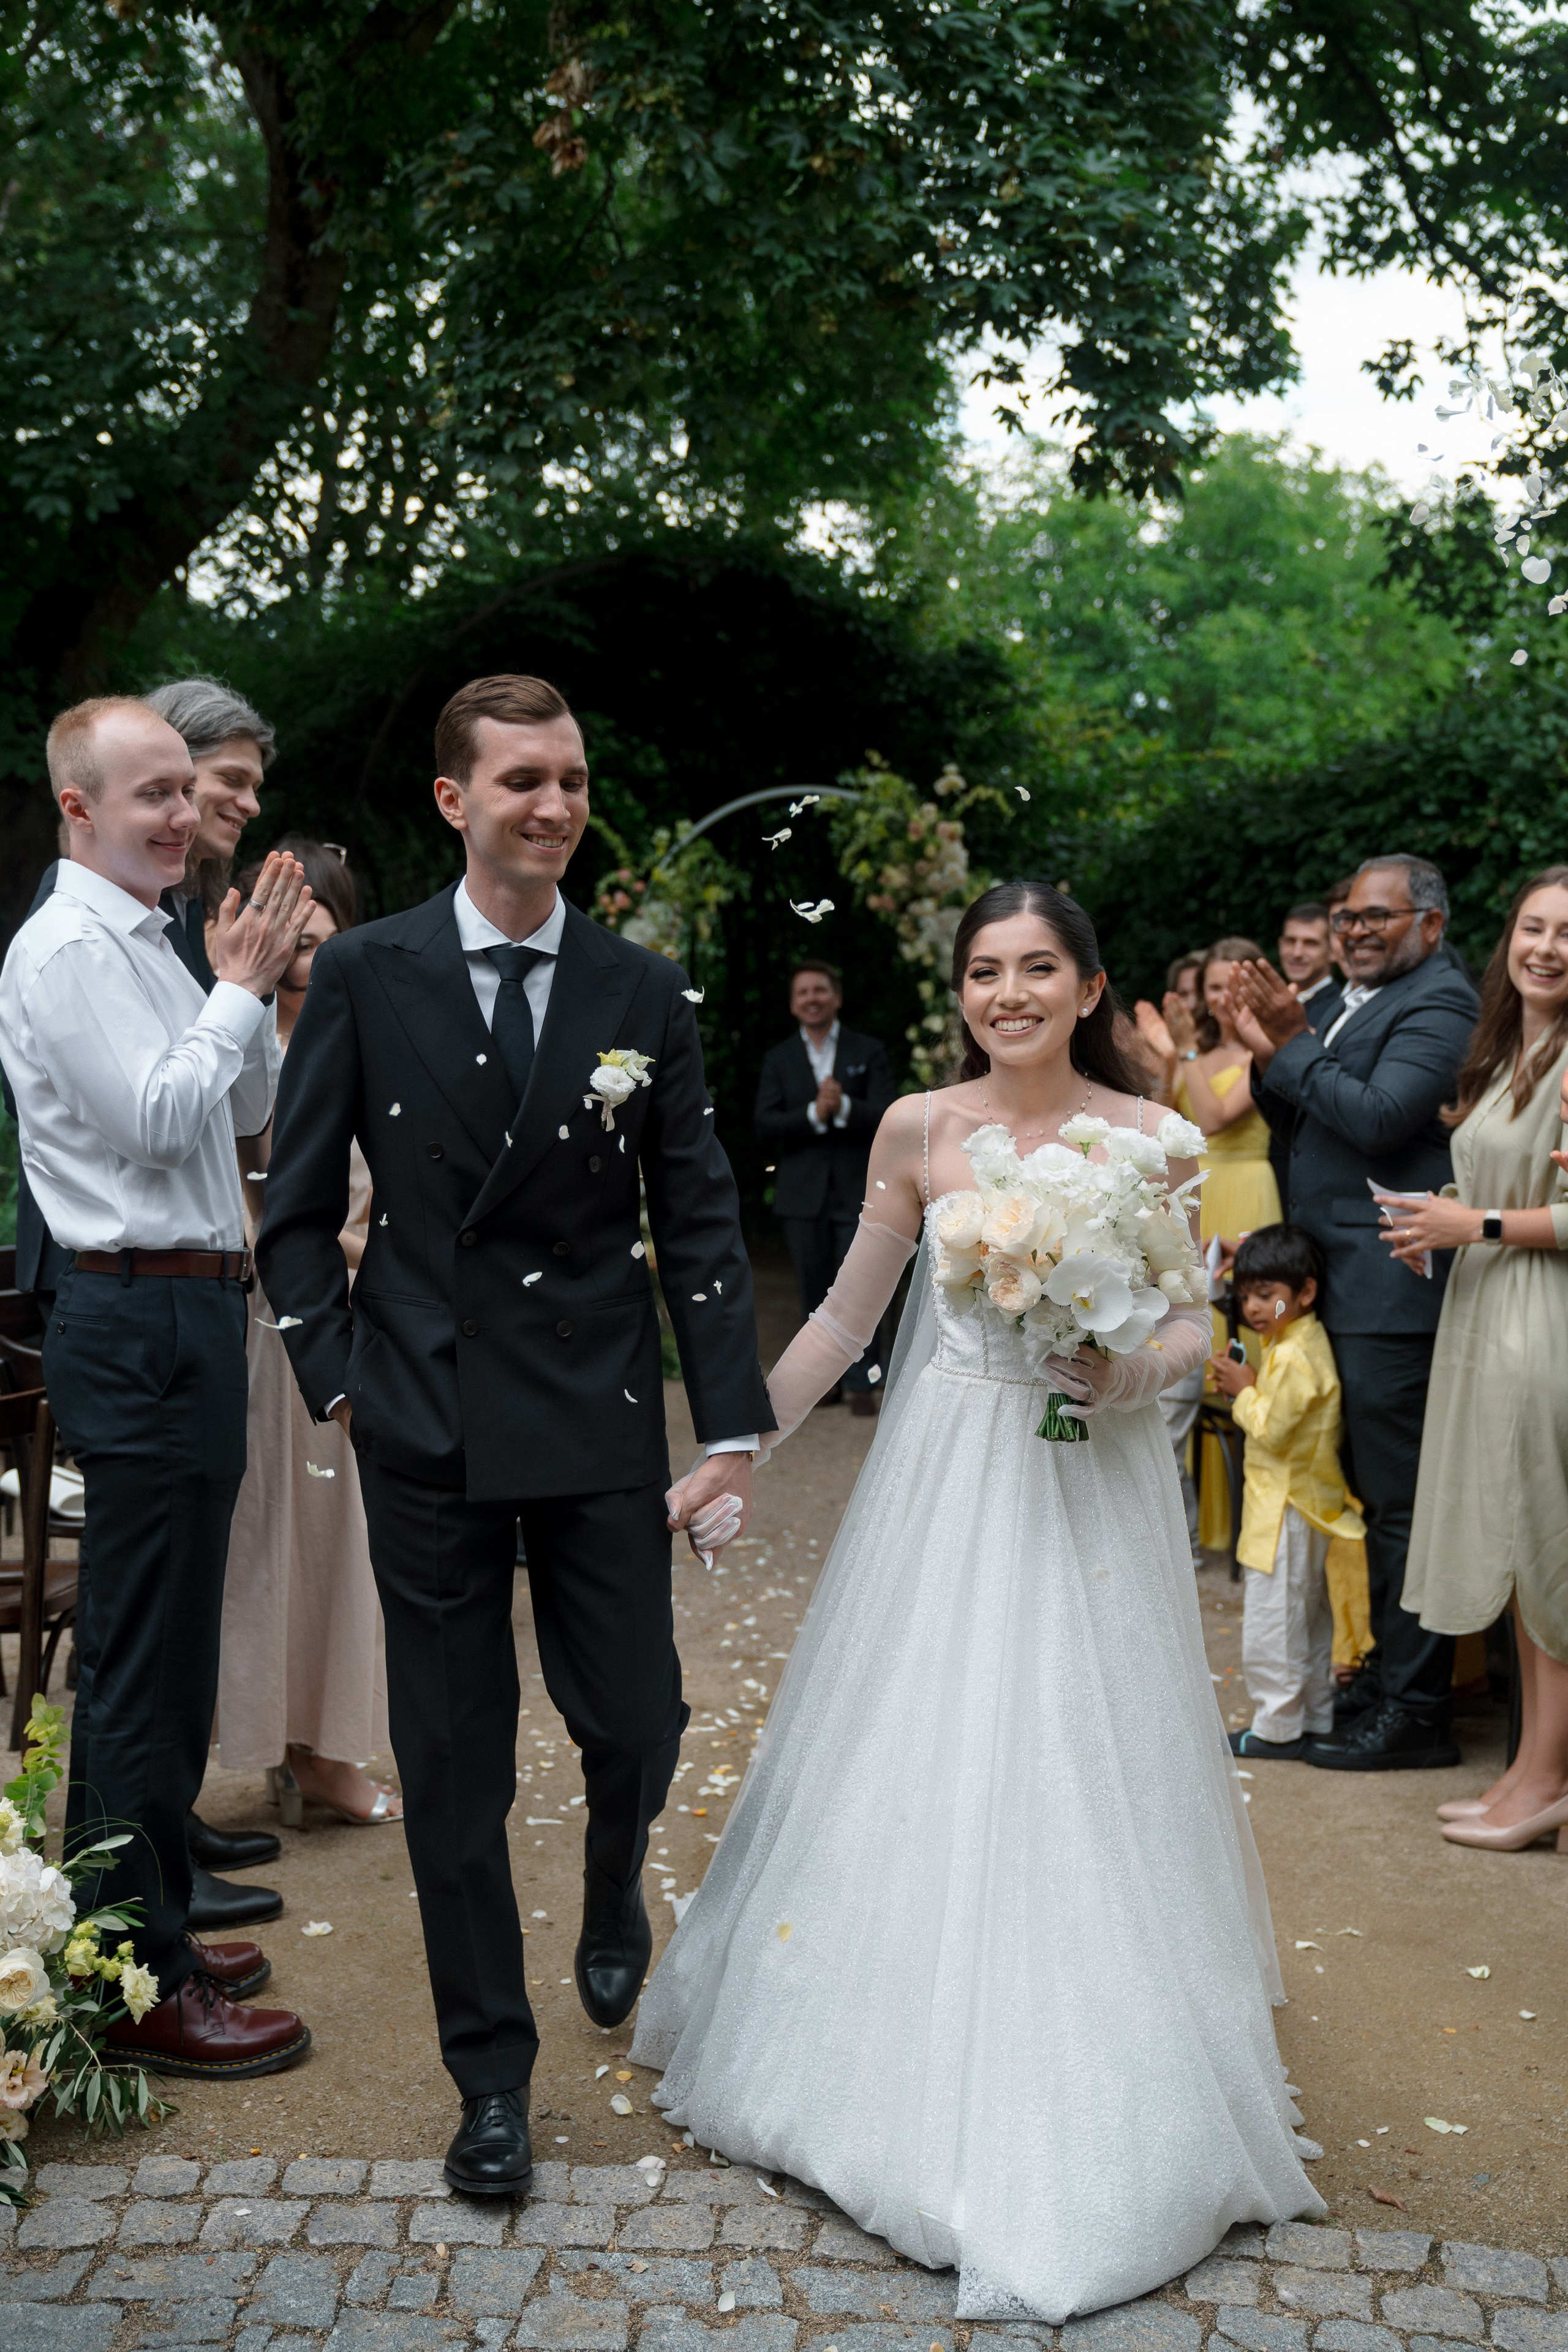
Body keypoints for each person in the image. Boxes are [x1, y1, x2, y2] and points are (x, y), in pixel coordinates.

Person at [633, 880, 1321, 2321]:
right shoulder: (916, 1128)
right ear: (959, 990)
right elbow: (837, 1318)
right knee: (921, 1731)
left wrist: (1123, 1367)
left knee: (1086, 1750)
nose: (1005, 993)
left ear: (1086, 984)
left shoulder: (1152, 1139)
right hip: (944, 1470)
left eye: (1034, 969)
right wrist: (734, 1446)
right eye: (981, 972)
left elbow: (1190, 1320)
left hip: (1083, 1482)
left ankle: (1103, 2067)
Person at [255, 673, 773, 2196]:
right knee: (456, 1762)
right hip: (423, 1416)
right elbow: (293, 1215)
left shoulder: (639, 985)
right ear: (452, 800)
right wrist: (339, 1379)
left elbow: (695, 1215)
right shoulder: (366, 968)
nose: (550, 804)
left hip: (598, 1413)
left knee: (639, 1719)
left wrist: (728, 1424)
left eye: (569, 777)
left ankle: (615, 1880)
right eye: (519, 780)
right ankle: (489, 2077)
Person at [0, 695, 313, 2078]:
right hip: (133, 1316)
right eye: (153, 797)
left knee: (175, 1645)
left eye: (189, 792)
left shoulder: (155, 937)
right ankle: (134, 1982)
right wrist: (240, 989)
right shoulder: (66, 948)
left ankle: (149, 1929)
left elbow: (243, 1112)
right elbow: (152, 1118)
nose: (184, 816)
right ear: (78, 807)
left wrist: (244, 981)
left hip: (189, 1305)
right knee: (137, 1660)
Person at [1229, 853, 1480, 1770]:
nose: (1359, 931)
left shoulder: (1443, 1004)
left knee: (1397, 1505)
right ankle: (1370, 1679)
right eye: (1349, 919)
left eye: (1380, 916)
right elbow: (1302, 1116)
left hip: (1389, 1288)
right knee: (1350, 1502)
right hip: (1328, 1281)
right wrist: (1268, 1051)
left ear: (1430, 926)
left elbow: (1376, 1120)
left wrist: (1292, 1040)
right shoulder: (1342, 999)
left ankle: (1421, 1713)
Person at [217, 840, 399, 1828]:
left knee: (340, 1543)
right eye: (290, 922)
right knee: (268, 1542)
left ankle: (325, 1753)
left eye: (322, 919)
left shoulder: (372, 1034)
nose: (305, 941)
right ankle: (289, 1753)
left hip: (353, 1315)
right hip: (259, 1321)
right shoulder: (243, 1047)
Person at [1389, 867, 1568, 1850]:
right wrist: (1442, 1231)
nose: (1544, 947)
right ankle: (1530, 1776)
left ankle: (1544, 1783)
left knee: (1549, 1559)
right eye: (1532, 927)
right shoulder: (1512, 1046)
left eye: (1566, 934)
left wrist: (1480, 1221)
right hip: (1489, 1308)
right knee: (1519, 1549)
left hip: (1543, 1319)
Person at [1138, 939, 1281, 1551]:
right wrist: (1171, 1063)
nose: (1218, 998)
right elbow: (1173, 1119)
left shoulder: (1260, 1048)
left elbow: (1219, 1116)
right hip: (1196, 1189)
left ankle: (1257, 1523)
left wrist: (1184, 1049)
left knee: (1244, 1343)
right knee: (1184, 1346)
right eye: (1212, 987)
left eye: (1230, 986)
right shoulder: (1202, 1050)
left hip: (1245, 1188)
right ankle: (1195, 1522)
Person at [1207, 1224, 1364, 1760]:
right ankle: (1315, 1714)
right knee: (1309, 1618)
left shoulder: (1292, 1355)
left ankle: (1277, 1728)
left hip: (1285, 1509)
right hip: (1305, 1505)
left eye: (1266, 1296)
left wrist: (1243, 1390)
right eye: (1246, 1295)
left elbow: (1271, 1429)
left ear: (1305, 1293)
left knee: (1276, 1624)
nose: (1253, 1309)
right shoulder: (1291, 1335)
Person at [754, 961, 897, 1414]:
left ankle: (863, 1382)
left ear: (836, 997)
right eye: (803, 993)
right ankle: (822, 1385)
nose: (812, 998)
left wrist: (846, 1105)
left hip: (859, 1189)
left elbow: (890, 1115)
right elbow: (765, 1124)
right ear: (794, 1004)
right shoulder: (778, 1058)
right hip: (802, 1194)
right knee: (814, 1290)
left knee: (861, 1288)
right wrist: (815, 1113)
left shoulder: (867, 1049)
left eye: (820, 990)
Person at [1265, 903, 1343, 1213]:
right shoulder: (1271, 1003)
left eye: (1310, 943)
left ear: (1333, 951)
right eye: (1290, 941)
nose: (1297, 952)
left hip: (1316, 1163)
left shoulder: (1338, 1008)